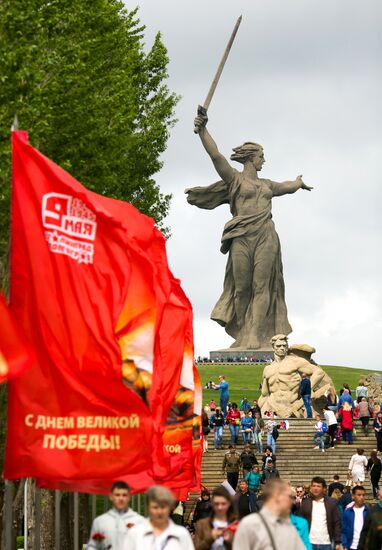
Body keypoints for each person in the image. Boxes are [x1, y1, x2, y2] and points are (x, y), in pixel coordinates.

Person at [188, 114, 312, 352]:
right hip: (241, 237)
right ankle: (243, 331)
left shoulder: (267, 185)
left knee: (262, 285)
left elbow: (287, 187)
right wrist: (203, 131)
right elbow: (216, 156)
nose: (263, 160)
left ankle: (255, 334)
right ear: (251, 158)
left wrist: (298, 182)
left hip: (265, 235)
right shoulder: (234, 180)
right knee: (242, 287)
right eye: (261, 157)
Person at [233, 479, 306, 550]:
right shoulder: (249, 524)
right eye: (289, 497)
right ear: (277, 496)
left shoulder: (291, 525)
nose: (292, 501)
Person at [124, 485, 193, 550]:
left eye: (163, 507)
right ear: (148, 507)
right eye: (155, 507)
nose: (159, 512)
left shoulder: (182, 534)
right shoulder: (136, 532)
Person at [87, 481, 144, 549]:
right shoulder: (100, 521)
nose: (121, 498)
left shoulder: (140, 521)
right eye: (117, 495)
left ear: (129, 497)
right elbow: (92, 546)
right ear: (111, 497)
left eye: (124, 495)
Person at [299, 476, 342, 550]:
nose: (315, 488)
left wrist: (338, 542)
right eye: (314, 486)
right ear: (311, 488)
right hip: (309, 542)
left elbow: (337, 522)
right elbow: (301, 521)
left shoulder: (332, 503)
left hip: (326, 543)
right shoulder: (305, 503)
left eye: (318, 486)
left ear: (324, 489)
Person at [194, 486, 236, 550]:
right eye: (217, 504)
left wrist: (229, 541)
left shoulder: (235, 524)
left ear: (229, 504)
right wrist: (211, 538)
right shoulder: (202, 524)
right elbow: (196, 547)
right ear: (212, 504)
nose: (220, 507)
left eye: (223, 504)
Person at [341, 485, 368, 550]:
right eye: (359, 495)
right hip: (351, 546)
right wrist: (344, 544)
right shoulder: (347, 512)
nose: (361, 497)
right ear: (353, 496)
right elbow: (343, 530)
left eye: (363, 495)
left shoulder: (369, 511)